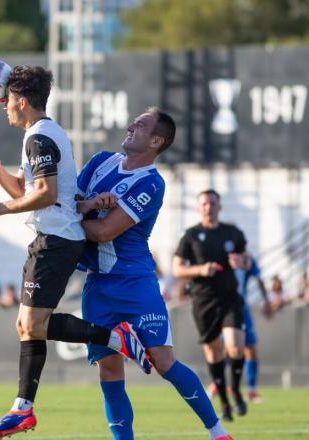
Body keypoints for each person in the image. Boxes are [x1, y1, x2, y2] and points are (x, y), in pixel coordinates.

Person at [0, 65, 148, 439]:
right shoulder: (44, 133)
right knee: (26, 325)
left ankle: (115, 338)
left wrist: (2, 208)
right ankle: (22, 409)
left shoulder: (38, 138)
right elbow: (28, 186)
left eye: (7, 102)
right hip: (52, 237)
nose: (4, 107)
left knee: (33, 325)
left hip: (55, 240)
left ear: (22, 102)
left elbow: (45, 194)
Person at [77, 108, 232, 440]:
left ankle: (218, 432)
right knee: (109, 370)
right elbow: (69, 203)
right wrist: (79, 209)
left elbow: (104, 231)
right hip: (97, 285)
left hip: (135, 284)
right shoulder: (100, 161)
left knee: (164, 362)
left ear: (156, 140)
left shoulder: (151, 182)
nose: (132, 125)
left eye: (141, 125)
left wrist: (73, 219)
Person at [172, 189, 249, 422]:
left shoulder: (232, 233)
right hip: (204, 300)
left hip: (229, 296)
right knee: (213, 351)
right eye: (205, 203)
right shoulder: (191, 236)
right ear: (199, 207)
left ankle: (235, 390)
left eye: (213, 203)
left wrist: (241, 261)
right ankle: (225, 403)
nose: (209, 207)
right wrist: (200, 270)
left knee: (236, 345)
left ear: (219, 206)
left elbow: (247, 260)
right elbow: (177, 269)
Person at [207, 255, 272, 403]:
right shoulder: (218, 252)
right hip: (221, 307)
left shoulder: (246, 257)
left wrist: (266, 301)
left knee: (250, 348)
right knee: (224, 348)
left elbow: (258, 277)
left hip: (241, 308)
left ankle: (251, 390)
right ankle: (218, 384)